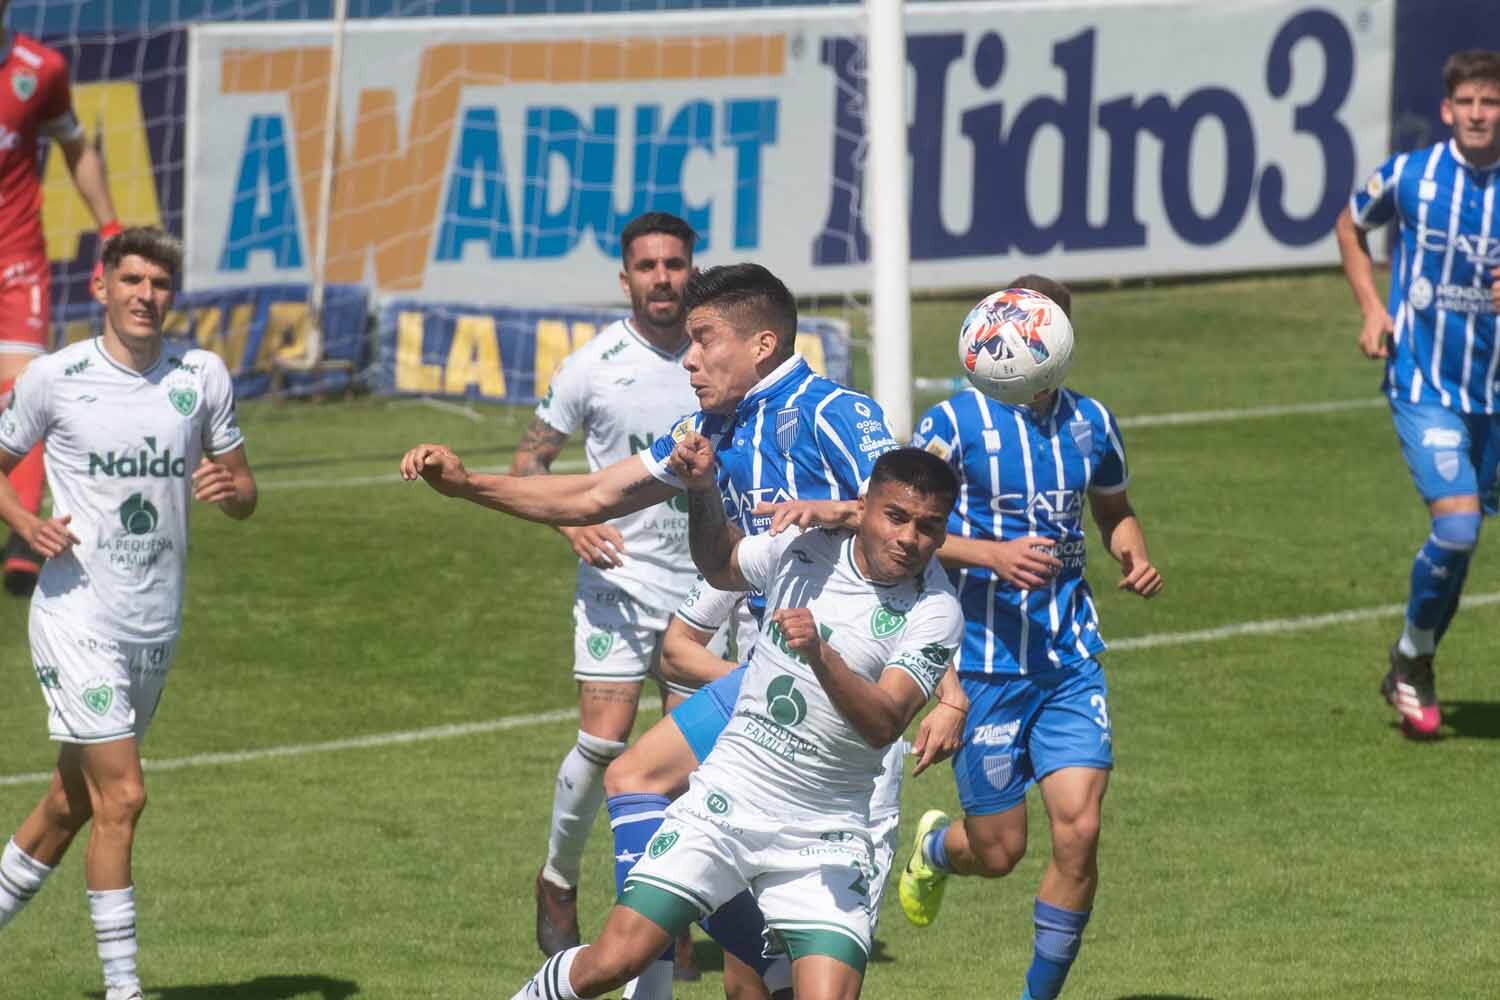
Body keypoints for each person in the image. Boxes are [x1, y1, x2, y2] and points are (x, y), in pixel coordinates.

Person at [402, 261, 964, 998]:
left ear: (761, 344)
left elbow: (912, 531)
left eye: (703, 341)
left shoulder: (833, 412)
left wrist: (949, 693)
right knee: (636, 777)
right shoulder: (708, 428)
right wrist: (468, 485)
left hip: (849, 710)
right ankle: (653, 968)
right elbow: (597, 493)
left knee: (767, 981)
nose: (688, 359)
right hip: (769, 685)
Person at [508, 445, 964, 1000]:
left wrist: (821, 656)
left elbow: (884, 722)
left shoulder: (936, 611)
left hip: (825, 835)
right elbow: (719, 561)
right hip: (728, 802)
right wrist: (702, 490)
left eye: (929, 527)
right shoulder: (802, 549)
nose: (909, 539)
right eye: (896, 516)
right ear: (863, 506)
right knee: (613, 962)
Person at [0, 227, 257, 1000]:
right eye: (133, 280)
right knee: (125, 796)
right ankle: (124, 991)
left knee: (70, 801)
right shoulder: (56, 377)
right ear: (102, 289)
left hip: (154, 622)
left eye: (161, 284)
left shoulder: (201, 377)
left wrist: (232, 493)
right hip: (77, 615)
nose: (147, 296)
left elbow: (243, 488)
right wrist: (24, 524)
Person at [897, 276, 1163, 1000]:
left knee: (1079, 833)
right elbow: (899, 528)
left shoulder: (1093, 423)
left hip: (1068, 660)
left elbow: (1115, 509)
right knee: (1000, 851)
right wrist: (991, 555)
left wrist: (1130, 550)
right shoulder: (951, 426)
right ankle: (934, 849)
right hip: (981, 668)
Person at [511, 212, 703, 968]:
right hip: (617, 580)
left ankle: (666, 907)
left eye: (675, 263)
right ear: (625, 279)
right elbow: (531, 463)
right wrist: (571, 527)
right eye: (648, 266)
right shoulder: (591, 365)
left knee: (688, 757)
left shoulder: (714, 358)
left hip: (704, 583)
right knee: (603, 743)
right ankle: (558, 880)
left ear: (693, 270)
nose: (663, 277)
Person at [1334, 48, 1500, 740]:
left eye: (1490, 102)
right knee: (1457, 525)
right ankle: (1413, 661)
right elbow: (1350, 223)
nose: (1478, 114)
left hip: (1491, 396)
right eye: (1467, 102)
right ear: (1447, 109)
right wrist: (1372, 307)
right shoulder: (1411, 176)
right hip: (1423, 383)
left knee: (1462, 542)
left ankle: (1412, 655)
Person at [0, 0, 122, 595]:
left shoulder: (39, 70)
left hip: (16, 263)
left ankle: (23, 534)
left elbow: (77, 148)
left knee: (25, 391)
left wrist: (110, 230)